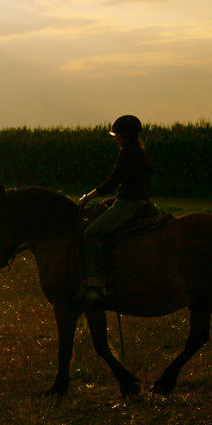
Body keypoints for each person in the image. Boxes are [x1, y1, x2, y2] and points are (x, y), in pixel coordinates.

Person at [76, 115, 153, 305]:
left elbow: (112, 181)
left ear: (125, 135)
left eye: (117, 134)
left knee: (91, 234)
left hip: (128, 204)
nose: (115, 138)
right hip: (140, 201)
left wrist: (87, 198)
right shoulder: (141, 152)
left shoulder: (127, 152)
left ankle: (98, 284)